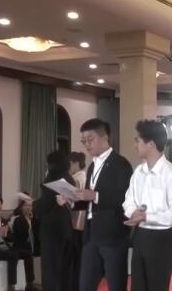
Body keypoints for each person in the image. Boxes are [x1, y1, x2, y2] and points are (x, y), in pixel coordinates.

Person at [66, 119, 133, 291]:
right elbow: (90, 201)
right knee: (85, 285)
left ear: (104, 137)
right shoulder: (92, 166)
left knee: (116, 285)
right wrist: (72, 200)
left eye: (90, 139)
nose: (87, 145)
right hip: (91, 234)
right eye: (83, 141)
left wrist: (95, 195)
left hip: (113, 235)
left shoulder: (120, 163)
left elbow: (124, 197)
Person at [122, 120, 172, 290]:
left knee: (157, 287)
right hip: (140, 235)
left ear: (150, 144)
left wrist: (147, 216)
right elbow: (128, 199)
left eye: (137, 140)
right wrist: (133, 212)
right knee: (138, 286)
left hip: (162, 239)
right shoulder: (138, 172)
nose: (135, 145)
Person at [36, 150, 77, 291]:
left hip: (51, 230)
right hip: (66, 228)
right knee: (64, 268)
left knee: (50, 269)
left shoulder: (53, 177)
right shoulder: (69, 178)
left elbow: (46, 203)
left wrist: (33, 205)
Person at [67, 150, 87, 291]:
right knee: (81, 257)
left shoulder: (75, 179)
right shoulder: (85, 176)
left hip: (75, 220)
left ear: (75, 163)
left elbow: (72, 201)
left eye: (70, 164)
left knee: (75, 258)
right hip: (84, 221)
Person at [9, 198, 38, 290]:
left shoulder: (34, 219)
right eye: (26, 205)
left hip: (31, 245)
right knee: (28, 254)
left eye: (30, 205)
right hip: (20, 246)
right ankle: (30, 283)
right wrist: (29, 230)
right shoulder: (18, 220)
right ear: (21, 207)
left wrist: (33, 220)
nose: (28, 207)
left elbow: (37, 232)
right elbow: (20, 235)